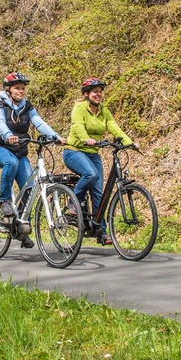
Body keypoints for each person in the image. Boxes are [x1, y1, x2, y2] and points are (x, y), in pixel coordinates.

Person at [0, 72, 65, 248]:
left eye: (23, 88)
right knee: (11, 163)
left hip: (20, 152)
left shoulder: (27, 107)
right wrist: (8, 135)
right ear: (8, 90)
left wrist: (55, 137)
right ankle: (4, 201)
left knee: (29, 189)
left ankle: (22, 228)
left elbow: (39, 123)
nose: (20, 91)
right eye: (17, 88)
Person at [63, 77, 135, 245]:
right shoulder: (79, 108)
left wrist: (129, 142)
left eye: (100, 92)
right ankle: (74, 201)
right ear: (86, 94)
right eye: (95, 91)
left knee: (98, 193)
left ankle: (100, 230)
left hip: (93, 154)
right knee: (91, 174)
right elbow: (77, 126)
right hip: (74, 151)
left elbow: (114, 127)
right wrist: (85, 138)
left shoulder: (104, 111)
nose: (98, 94)